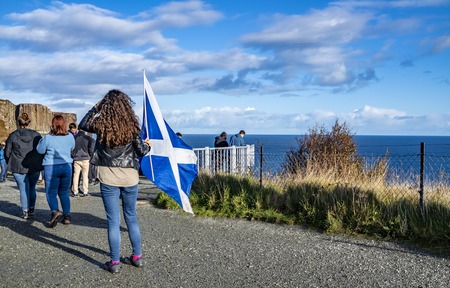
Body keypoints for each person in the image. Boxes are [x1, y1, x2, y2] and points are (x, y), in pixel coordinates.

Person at [79, 89, 152, 274]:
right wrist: (148, 145)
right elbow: (142, 150)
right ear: (126, 106)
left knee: (113, 220)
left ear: (107, 106)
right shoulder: (132, 127)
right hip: (130, 177)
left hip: (108, 176)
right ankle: (137, 257)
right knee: (131, 217)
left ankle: (115, 262)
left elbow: (83, 124)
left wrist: (97, 106)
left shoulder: (101, 126)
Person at [37, 115, 75, 228]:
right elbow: (72, 148)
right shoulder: (70, 137)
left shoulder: (48, 137)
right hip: (67, 166)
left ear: (53, 124)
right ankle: (67, 216)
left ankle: (55, 211)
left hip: (51, 166)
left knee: (51, 192)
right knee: (63, 192)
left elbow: (40, 150)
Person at [4, 113, 44, 219]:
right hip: (34, 166)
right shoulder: (36, 135)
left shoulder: (13, 135)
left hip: (18, 166)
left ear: (18, 122)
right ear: (29, 122)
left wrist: (10, 161)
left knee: (23, 189)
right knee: (32, 188)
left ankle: (25, 211)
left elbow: (7, 152)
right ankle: (31, 209)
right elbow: (41, 151)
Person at [69, 123, 94, 197]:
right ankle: (85, 191)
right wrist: (90, 156)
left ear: (78, 129)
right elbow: (91, 148)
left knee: (75, 175)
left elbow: (72, 148)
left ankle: (75, 191)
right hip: (86, 158)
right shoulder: (88, 138)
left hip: (76, 158)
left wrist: (73, 155)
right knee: (85, 176)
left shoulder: (74, 138)